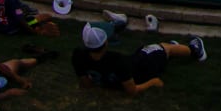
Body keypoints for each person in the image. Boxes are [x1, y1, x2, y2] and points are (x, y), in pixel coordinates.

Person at [71, 22, 207, 96]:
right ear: (105, 44)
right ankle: (195, 51)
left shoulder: (78, 55)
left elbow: (86, 83)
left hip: (121, 74)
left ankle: (170, 51)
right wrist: (152, 82)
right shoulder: (117, 60)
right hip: (142, 68)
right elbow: (132, 90)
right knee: (164, 48)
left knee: (155, 51)